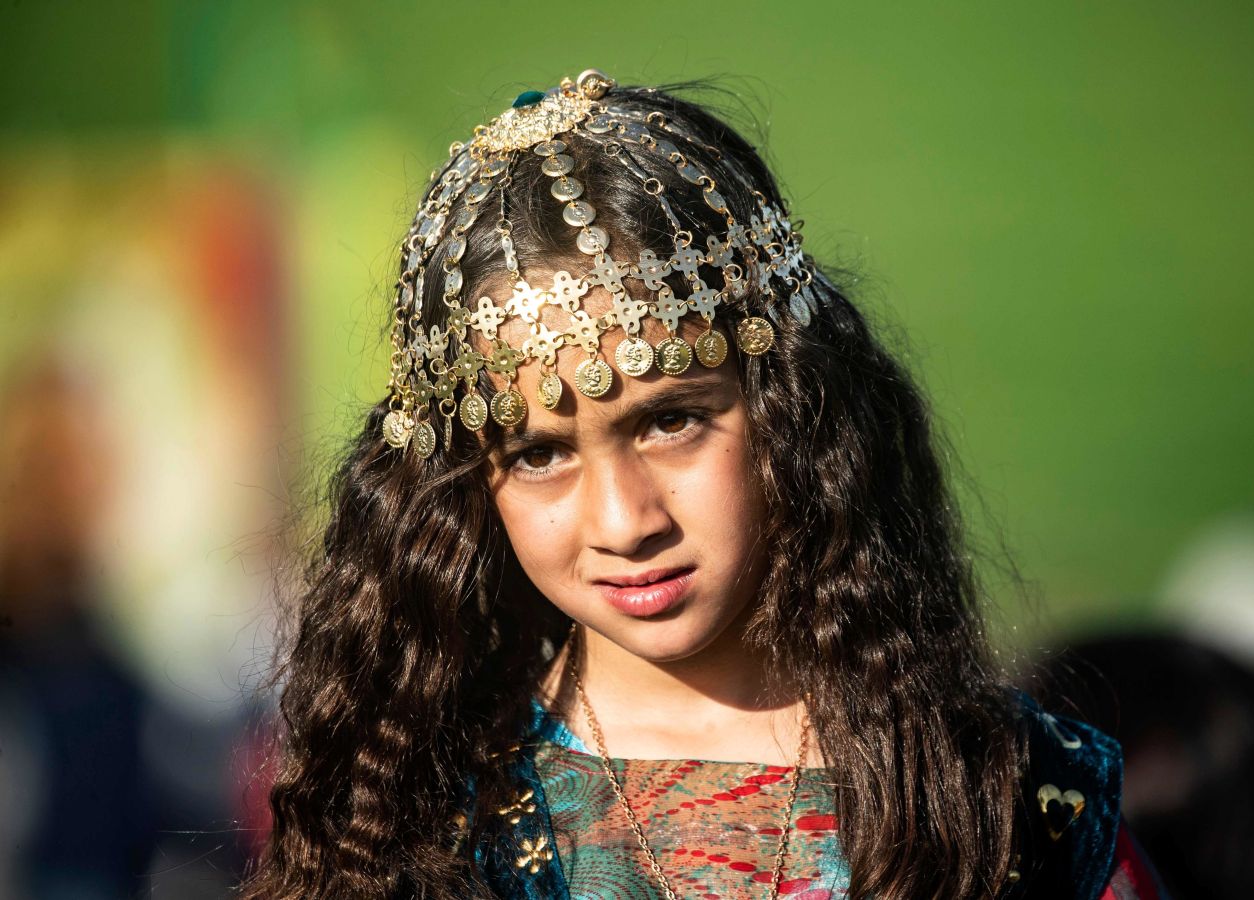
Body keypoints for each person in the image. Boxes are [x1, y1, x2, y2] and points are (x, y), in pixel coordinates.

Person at [238, 69, 1167, 899]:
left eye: (671, 421)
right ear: (458, 489)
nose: (624, 521)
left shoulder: (998, 793)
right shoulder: (411, 822)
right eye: (538, 454)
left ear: (794, 406)